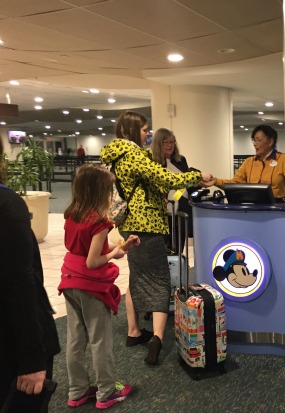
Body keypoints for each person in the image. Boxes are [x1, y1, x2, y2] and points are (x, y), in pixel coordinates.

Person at [99, 111, 215, 366]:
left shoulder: (113, 156)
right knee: (161, 279)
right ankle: (157, 339)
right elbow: (168, 178)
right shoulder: (133, 154)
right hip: (147, 225)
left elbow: (146, 184)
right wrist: (198, 176)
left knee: (138, 275)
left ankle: (133, 331)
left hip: (128, 224)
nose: (148, 134)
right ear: (131, 130)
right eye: (144, 129)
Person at [57, 164, 140, 409]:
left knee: (75, 337)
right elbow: (93, 261)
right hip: (91, 286)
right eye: (108, 188)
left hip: (70, 279)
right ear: (98, 190)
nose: (111, 193)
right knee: (100, 339)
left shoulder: (72, 213)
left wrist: (118, 249)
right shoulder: (100, 222)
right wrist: (114, 255)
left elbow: (81, 251)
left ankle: (77, 390)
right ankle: (106, 391)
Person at [0, 139, 61, 412]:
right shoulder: (8, 206)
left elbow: (20, 283)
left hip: (16, 341)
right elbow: (21, 284)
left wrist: (32, 358)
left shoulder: (7, 206)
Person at [214, 125, 285, 204]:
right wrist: (215, 181)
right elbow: (235, 183)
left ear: (270, 142)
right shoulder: (249, 162)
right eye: (254, 140)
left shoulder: (283, 159)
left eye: (259, 140)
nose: (255, 144)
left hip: (276, 207)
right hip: (253, 207)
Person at [151, 128, 200, 247]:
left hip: (182, 209)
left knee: (179, 246)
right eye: (165, 142)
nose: (169, 145)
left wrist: (197, 183)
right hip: (163, 213)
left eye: (172, 142)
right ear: (158, 144)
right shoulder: (153, 163)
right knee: (165, 247)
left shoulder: (181, 160)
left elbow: (186, 183)